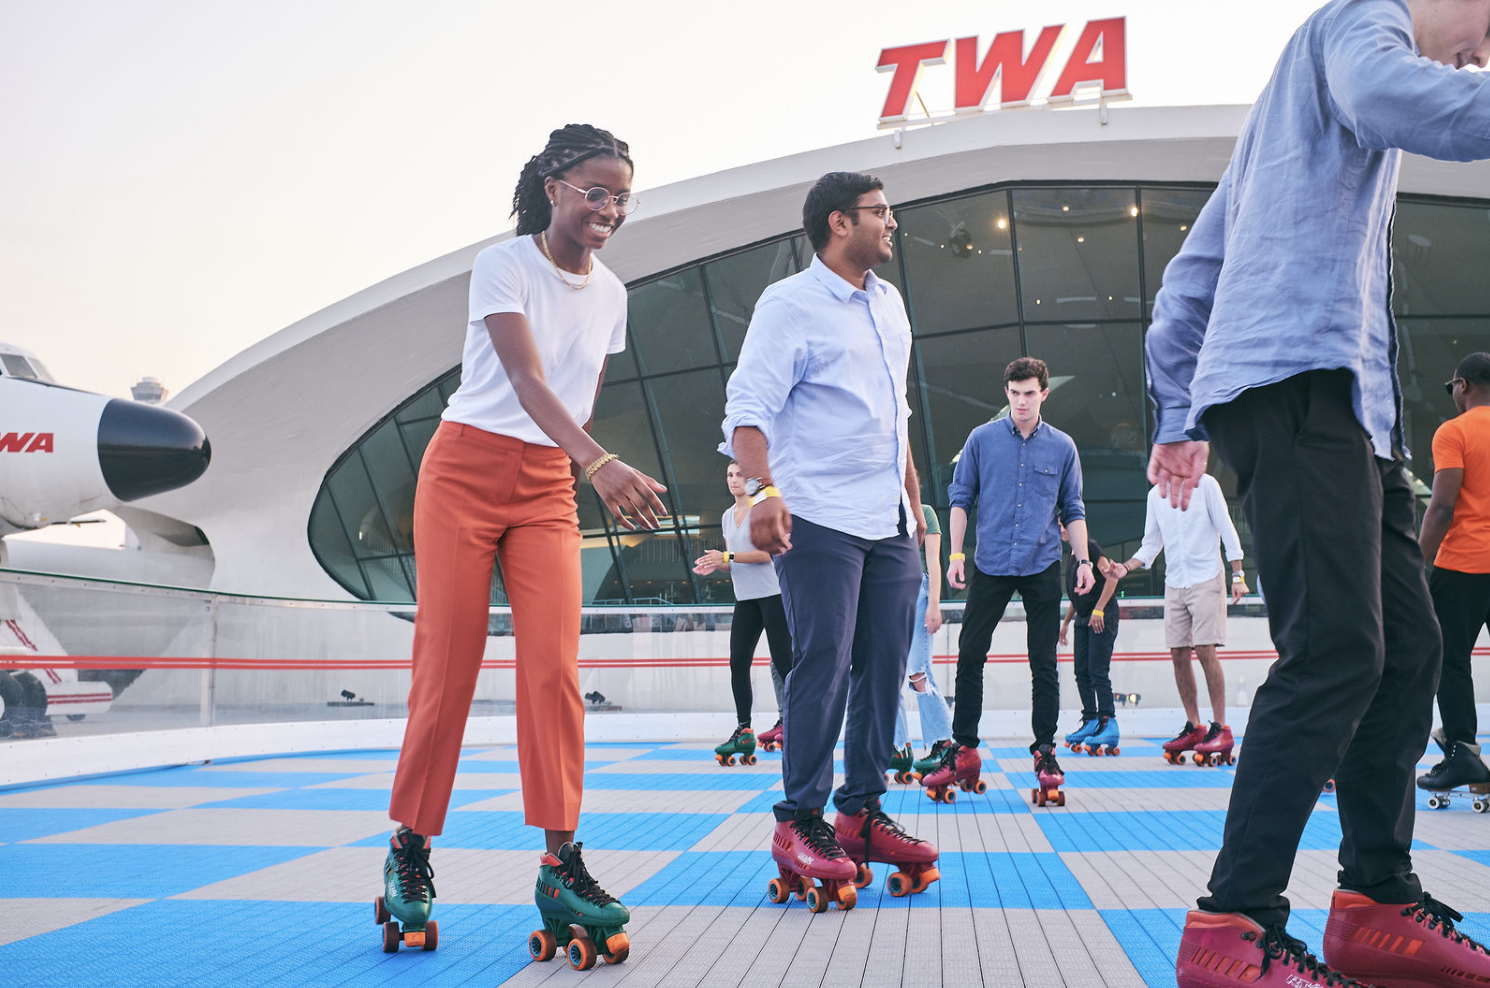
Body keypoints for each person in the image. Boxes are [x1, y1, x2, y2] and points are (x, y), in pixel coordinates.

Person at [1143, 3, 1490, 985]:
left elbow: (1190, 273)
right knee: (1334, 646)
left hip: (1347, 409)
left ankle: (1373, 903)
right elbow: (1390, 94)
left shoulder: (1282, 127)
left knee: (1408, 643)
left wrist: (1175, 409)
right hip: (1291, 388)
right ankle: (1229, 922)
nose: (1476, 56)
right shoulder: (1357, 22)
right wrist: (1181, 409)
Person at [382, 124, 666, 964]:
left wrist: (582, 469)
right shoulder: (503, 265)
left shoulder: (612, 293)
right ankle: (410, 851)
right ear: (553, 187)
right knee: (449, 665)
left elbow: (578, 396)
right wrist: (602, 463)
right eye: (594, 190)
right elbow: (526, 378)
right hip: (465, 470)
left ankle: (559, 860)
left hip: (547, 483)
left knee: (555, 670)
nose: (608, 207)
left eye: (621, 194)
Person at [721, 171, 937, 909]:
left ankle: (860, 813)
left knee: (883, 667)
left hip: (889, 520)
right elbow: (748, 407)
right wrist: (764, 492)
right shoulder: (790, 305)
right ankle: (799, 820)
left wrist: (912, 506)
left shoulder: (891, 304)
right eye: (882, 213)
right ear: (840, 223)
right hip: (817, 514)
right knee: (824, 660)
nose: (893, 224)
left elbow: (894, 416)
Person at [933, 357, 1095, 794]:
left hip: (1041, 564)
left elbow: (1073, 509)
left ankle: (1045, 751)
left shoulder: (1062, 447)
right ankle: (964, 748)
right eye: (1014, 393)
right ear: (1006, 392)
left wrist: (1082, 561)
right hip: (989, 563)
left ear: (1044, 393)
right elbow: (961, 498)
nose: (1022, 402)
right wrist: (954, 554)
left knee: (1043, 663)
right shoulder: (981, 440)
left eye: (1030, 394)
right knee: (970, 656)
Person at [1111, 472, 1247, 761]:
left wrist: (1238, 575)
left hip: (1207, 577)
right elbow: (1150, 546)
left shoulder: (1206, 484)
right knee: (1178, 653)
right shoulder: (1155, 496)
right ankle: (1195, 726)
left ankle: (1221, 727)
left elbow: (1227, 527)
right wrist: (1125, 568)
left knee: (1205, 649)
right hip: (1175, 582)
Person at [1418, 352, 1490, 791]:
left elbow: (1442, 505)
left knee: (1450, 660)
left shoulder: (1454, 432)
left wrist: (1415, 562)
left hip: (1462, 565)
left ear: (1461, 385)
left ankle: (1464, 752)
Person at [692, 460, 794, 765]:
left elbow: (769, 552)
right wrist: (715, 564)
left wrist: (727, 556)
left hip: (773, 595)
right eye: (729, 475)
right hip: (746, 599)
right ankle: (743, 728)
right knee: (738, 661)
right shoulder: (726, 517)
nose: (733, 480)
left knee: (785, 663)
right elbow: (732, 560)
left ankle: (795, 722)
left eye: (739, 475)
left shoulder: (759, 509)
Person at [896, 494, 955, 779]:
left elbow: (934, 562)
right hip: (886, 592)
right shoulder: (881, 507)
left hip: (918, 590)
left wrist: (934, 604)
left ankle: (942, 743)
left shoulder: (925, 512)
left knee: (917, 671)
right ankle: (897, 747)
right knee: (886, 673)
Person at [1058, 527, 1123, 754]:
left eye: (1066, 524)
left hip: (1101, 615)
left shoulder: (1091, 549)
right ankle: (1091, 721)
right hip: (1083, 618)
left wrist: (1099, 610)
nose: (1063, 530)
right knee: (1082, 672)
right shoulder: (1073, 556)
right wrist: (1066, 622)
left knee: (1097, 671)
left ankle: (1108, 722)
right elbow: (1078, 593)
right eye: (1059, 526)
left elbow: (1111, 579)